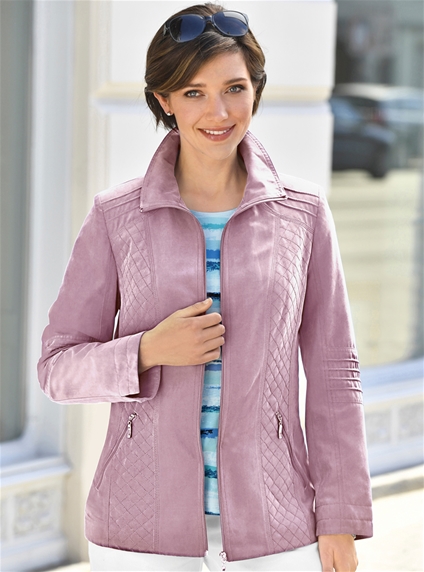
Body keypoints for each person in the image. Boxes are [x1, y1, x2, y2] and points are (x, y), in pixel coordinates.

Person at [38, 3, 373, 571]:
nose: (218, 112)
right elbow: (57, 368)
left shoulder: (304, 213)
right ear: (164, 100)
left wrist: (340, 517)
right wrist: (147, 350)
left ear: (256, 90)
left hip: (276, 528)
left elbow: (334, 372)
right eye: (193, 92)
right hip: (140, 535)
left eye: (234, 88)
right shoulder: (117, 216)